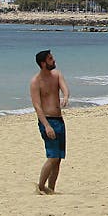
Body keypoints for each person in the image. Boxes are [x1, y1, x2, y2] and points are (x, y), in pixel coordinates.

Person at [30, 50, 70, 195]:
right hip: (47, 121)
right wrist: (47, 126)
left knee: (58, 159)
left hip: (59, 120)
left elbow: (64, 88)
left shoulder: (57, 75)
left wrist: (65, 97)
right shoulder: (36, 82)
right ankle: (41, 187)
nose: (54, 60)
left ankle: (51, 189)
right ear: (43, 63)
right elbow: (37, 106)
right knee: (53, 156)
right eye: (50, 59)